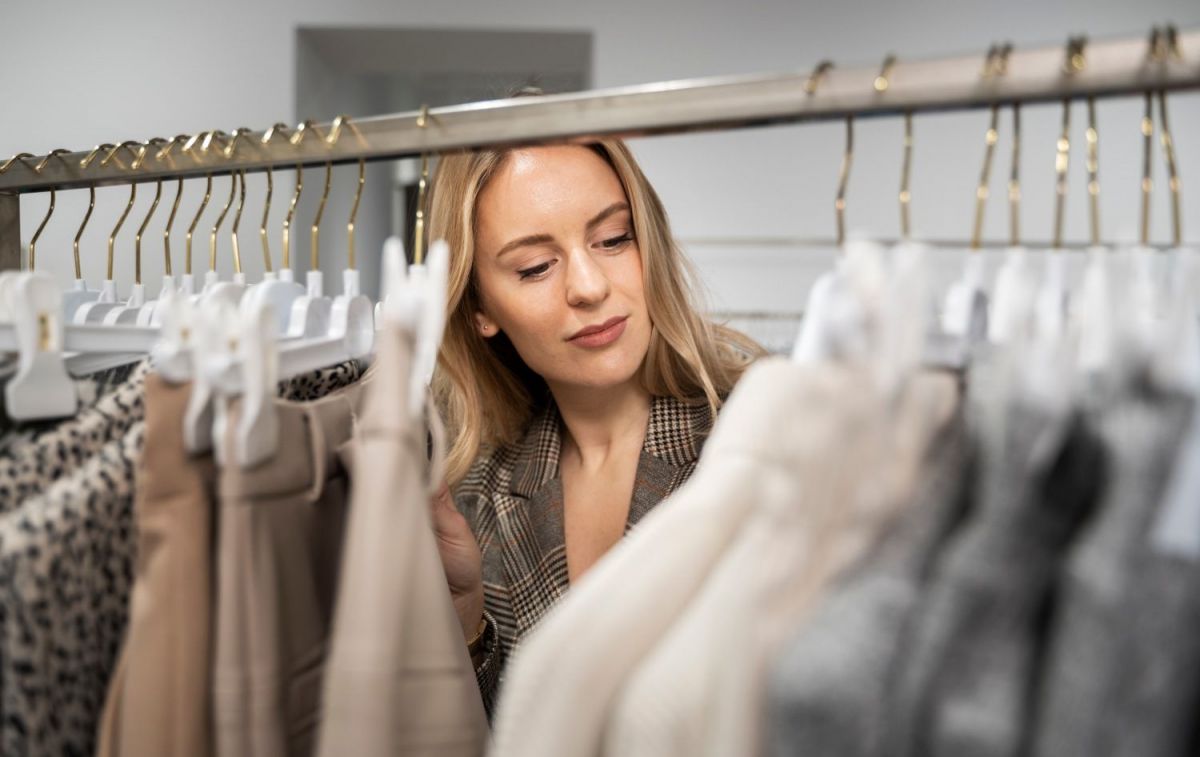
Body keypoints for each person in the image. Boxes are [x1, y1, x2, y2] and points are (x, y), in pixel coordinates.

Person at [427, 123, 764, 715]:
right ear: (481, 308)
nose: (588, 287)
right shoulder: (479, 499)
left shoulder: (764, 439)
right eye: (535, 267)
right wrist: (465, 618)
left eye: (613, 239)